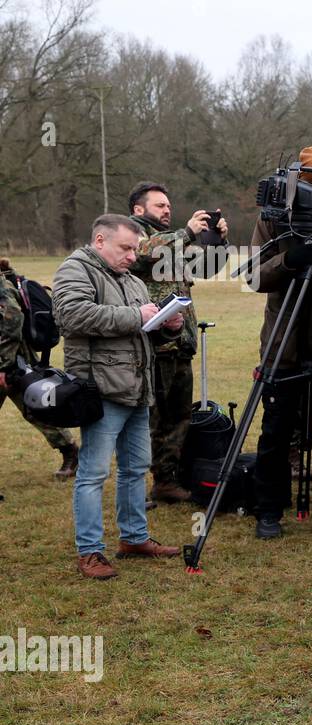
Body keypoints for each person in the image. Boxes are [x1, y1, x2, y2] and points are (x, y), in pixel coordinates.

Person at [51, 215, 184, 579]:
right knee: (93, 474)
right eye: (125, 248)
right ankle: (90, 551)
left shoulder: (130, 279)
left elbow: (141, 330)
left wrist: (168, 324)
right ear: (99, 241)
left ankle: (134, 538)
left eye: (135, 249)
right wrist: (134, 315)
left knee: (135, 469)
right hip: (102, 390)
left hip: (137, 389)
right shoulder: (75, 270)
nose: (131, 256)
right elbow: (71, 315)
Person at [247, 146, 312, 539]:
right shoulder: (274, 216)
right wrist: (291, 260)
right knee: (275, 432)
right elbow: (255, 276)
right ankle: (269, 510)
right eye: (311, 180)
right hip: (286, 341)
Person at [127, 181, 228, 504]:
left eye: (169, 206)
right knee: (150, 419)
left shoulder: (174, 243)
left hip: (179, 344)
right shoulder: (132, 235)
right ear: (138, 209)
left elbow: (207, 268)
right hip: (151, 347)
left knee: (179, 416)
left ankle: (167, 479)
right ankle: (135, 484)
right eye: (160, 206)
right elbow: (146, 253)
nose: (167, 210)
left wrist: (217, 242)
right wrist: (187, 232)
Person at [0, 260, 79, 478]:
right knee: (33, 407)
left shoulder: (1, 284)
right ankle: (70, 450)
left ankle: (70, 451)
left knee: (34, 406)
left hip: (12, 359)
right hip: (11, 359)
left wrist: (4, 365)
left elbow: (13, 318)